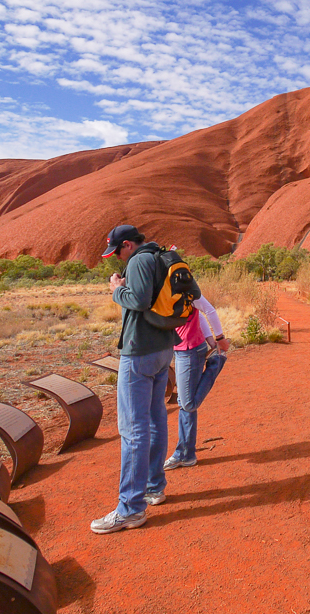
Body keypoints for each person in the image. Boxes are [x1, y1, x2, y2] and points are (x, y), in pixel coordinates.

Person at [91, 224, 178, 535]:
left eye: (116, 252)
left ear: (127, 244)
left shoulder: (139, 260)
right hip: (163, 349)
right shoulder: (158, 256)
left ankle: (130, 508)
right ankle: (155, 487)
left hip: (139, 353)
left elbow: (139, 301)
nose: (116, 258)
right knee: (155, 420)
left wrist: (117, 289)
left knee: (132, 429)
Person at [165, 295, 229, 469]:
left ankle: (217, 363)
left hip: (190, 350)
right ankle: (186, 454)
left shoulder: (182, 283)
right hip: (182, 349)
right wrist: (209, 339)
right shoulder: (166, 286)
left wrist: (219, 337)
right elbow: (196, 314)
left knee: (187, 403)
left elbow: (207, 309)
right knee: (185, 404)